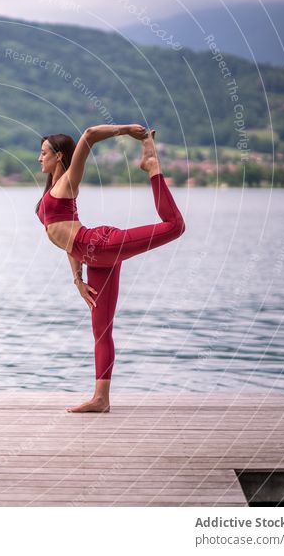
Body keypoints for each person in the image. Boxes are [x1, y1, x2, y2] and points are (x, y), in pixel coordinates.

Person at [36, 125, 186, 413]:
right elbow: (67, 240)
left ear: (59, 156)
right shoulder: (53, 192)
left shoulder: (68, 181)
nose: (39, 158)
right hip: (94, 259)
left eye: (43, 153)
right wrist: (77, 279)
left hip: (100, 245)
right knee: (101, 331)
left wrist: (127, 130)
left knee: (175, 226)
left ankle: (152, 166)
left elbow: (90, 134)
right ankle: (101, 399)